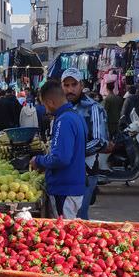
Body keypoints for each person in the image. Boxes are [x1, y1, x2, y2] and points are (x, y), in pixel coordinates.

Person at [30, 80, 86, 219]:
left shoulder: (64, 120)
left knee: (63, 233)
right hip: (72, 187)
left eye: (44, 105)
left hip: (64, 190)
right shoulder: (75, 116)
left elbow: (61, 158)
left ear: (50, 102)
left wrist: (38, 160)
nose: (45, 109)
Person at [62, 68, 108, 219]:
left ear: (81, 85)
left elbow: (99, 141)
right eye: (66, 85)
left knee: (79, 218)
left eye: (73, 84)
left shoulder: (93, 108)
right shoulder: (61, 108)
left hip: (85, 171)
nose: (70, 89)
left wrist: (71, 153)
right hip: (66, 171)